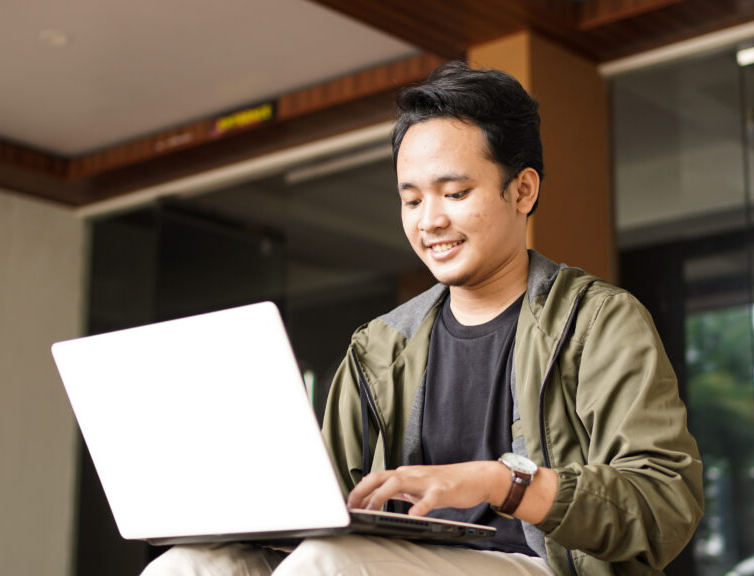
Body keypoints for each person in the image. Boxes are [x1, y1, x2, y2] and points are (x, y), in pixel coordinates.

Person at [143, 61, 704, 576]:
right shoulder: (380, 347)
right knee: (189, 565)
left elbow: (665, 503)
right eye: (411, 201)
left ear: (523, 190)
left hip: (538, 567)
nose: (430, 221)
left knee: (326, 566)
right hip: (405, 560)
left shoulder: (597, 321)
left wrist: (497, 481)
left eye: (455, 193)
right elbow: (329, 504)